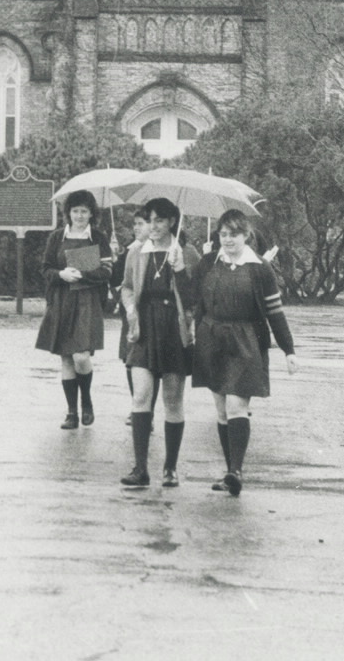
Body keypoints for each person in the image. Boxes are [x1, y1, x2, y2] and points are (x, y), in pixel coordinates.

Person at [191, 210, 296, 496]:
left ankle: (236, 470)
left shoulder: (260, 268)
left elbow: (275, 311)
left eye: (233, 234)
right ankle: (230, 472)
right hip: (211, 340)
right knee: (222, 409)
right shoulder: (208, 263)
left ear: (245, 235)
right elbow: (195, 301)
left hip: (246, 341)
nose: (227, 240)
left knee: (237, 405)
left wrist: (288, 349)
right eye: (223, 234)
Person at [117, 197, 201, 488]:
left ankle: (170, 468)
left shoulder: (187, 252)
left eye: (159, 221)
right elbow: (127, 287)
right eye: (149, 220)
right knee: (140, 396)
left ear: (172, 223)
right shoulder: (137, 252)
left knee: (172, 400)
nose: (152, 226)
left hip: (173, 330)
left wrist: (179, 271)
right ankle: (140, 468)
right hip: (143, 329)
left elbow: (193, 299)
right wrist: (129, 308)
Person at [34, 189, 113, 428]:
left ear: (91, 214)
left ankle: (86, 401)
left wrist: (83, 274)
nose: (79, 216)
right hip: (61, 300)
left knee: (81, 356)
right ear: (68, 212)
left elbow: (108, 272)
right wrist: (61, 274)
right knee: (66, 358)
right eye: (75, 211)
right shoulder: (57, 237)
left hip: (88, 301)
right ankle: (71, 413)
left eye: (84, 211)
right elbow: (45, 269)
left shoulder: (98, 237)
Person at [109, 206, 151, 426]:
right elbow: (119, 282)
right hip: (131, 314)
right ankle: (136, 405)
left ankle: (146, 409)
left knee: (148, 364)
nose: (136, 228)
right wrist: (115, 256)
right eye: (134, 224)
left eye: (140, 223)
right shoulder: (130, 250)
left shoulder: (165, 250)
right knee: (130, 360)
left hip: (151, 314)